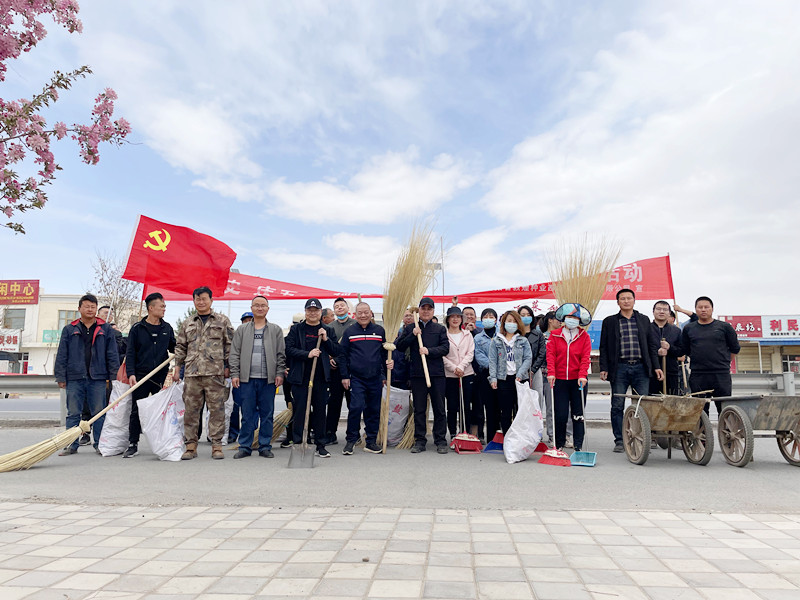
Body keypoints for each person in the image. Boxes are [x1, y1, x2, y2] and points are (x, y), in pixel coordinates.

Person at [173, 286, 234, 460]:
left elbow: (230, 345)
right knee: (191, 411)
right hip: (192, 374)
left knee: (217, 410)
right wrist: (177, 368)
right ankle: (191, 446)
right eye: (197, 299)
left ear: (211, 300)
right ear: (194, 301)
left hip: (215, 373)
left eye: (204, 299)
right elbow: (180, 347)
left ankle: (216, 446)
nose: (201, 302)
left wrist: (229, 367)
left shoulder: (222, 321)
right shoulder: (188, 322)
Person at [55, 293, 120, 455]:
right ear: (79, 309)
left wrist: (114, 376)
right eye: (87, 306)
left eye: (93, 307)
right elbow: (62, 354)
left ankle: (100, 444)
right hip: (74, 377)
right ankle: (71, 444)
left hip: (98, 377)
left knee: (99, 412)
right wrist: (61, 376)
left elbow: (112, 354)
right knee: (73, 413)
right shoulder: (70, 329)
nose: (90, 309)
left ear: (96, 309)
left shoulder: (105, 329)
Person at [599, 288, 662, 453]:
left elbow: (651, 345)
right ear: (617, 302)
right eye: (622, 299)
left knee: (643, 405)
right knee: (617, 405)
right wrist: (604, 367)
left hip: (641, 367)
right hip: (619, 368)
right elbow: (604, 347)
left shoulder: (643, 320)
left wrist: (656, 366)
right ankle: (620, 440)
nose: (626, 301)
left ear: (634, 300)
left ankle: (642, 438)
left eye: (629, 298)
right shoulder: (610, 321)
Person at [230, 296, 286, 459]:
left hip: (268, 380)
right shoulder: (242, 330)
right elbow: (234, 353)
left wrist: (279, 373)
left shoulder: (275, 330)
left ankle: (265, 446)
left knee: (267, 414)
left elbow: (280, 354)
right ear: (252, 308)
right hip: (247, 379)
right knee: (247, 415)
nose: (260, 308)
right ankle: (245, 446)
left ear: (268, 309)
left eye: (263, 305)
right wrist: (235, 374)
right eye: (257, 305)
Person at [122, 292, 175, 458]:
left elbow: (175, 349)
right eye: (162, 306)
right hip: (140, 376)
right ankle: (133, 443)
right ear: (151, 308)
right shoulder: (137, 329)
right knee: (136, 410)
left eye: (164, 306)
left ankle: (160, 443)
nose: (164, 309)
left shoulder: (167, 328)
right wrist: (131, 373)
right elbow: (130, 353)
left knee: (160, 411)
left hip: (160, 376)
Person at [285, 298, 339, 458]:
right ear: (306, 311)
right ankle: (299, 442)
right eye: (309, 310)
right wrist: (307, 354)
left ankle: (320, 444)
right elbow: (288, 349)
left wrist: (325, 340)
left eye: (316, 310)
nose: (312, 313)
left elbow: (337, 350)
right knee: (301, 409)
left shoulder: (327, 330)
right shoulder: (297, 329)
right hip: (300, 377)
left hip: (320, 377)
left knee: (320, 411)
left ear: (320, 313)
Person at [395, 297, 450, 454]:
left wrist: (429, 351)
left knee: (439, 408)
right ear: (418, 310)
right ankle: (420, 440)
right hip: (418, 374)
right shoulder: (411, 328)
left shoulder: (439, 329)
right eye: (423, 308)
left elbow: (445, 348)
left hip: (437, 374)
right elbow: (399, 346)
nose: (426, 311)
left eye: (429, 309)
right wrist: (413, 334)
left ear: (433, 311)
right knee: (419, 408)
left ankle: (440, 440)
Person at [339, 302, 391, 455]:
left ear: (371, 313)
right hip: (356, 378)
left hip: (375, 378)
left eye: (366, 312)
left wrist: (385, 372)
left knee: (373, 410)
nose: (363, 315)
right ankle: (351, 440)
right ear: (355, 315)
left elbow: (384, 355)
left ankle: (371, 441)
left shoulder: (379, 331)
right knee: (355, 407)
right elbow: (343, 356)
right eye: (360, 313)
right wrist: (344, 376)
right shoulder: (350, 332)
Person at [681, 296, 740, 415]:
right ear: (696, 309)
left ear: (712, 309)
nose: (703, 310)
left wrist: (725, 363)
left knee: (724, 409)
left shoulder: (724, 327)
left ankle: (726, 432)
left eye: (706, 307)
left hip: (721, 374)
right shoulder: (688, 329)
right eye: (700, 307)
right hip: (698, 374)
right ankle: (701, 433)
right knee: (700, 411)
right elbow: (686, 349)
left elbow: (735, 348)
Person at [546, 304, 592, 452]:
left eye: (575, 318)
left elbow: (585, 357)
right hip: (559, 379)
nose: (572, 320)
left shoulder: (584, 336)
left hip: (578, 380)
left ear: (579, 320)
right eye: (569, 317)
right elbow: (551, 355)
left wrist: (582, 375)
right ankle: (559, 444)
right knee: (560, 414)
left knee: (578, 414)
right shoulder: (555, 334)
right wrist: (551, 373)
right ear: (564, 318)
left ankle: (578, 444)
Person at [488, 310, 532, 433]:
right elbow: (492, 360)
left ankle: (520, 438)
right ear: (503, 323)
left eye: (514, 321)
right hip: (503, 379)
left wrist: (520, 373)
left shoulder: (523, 340)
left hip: (520, 379)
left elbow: (528, 358)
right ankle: (508, 439)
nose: (511, 324)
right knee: (505, 412)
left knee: (520, 411)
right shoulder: (496, 341)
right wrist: (493, 378)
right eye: (509, 321)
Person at [322, 297, 355, 445]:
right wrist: (330, 360)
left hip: (351, 369)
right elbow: (325, 347)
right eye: (337, 306)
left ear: (348, 308)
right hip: (334, 370)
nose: (340, 308)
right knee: (334, 402)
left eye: (342, 305)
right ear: (334, 310)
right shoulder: (329, 327)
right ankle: (330, 433)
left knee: (353, 403)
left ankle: (353, 434)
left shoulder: (355, 325)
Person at [443, 306, 475, 439]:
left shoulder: (467, 335)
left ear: (461, 319)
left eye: (458, 316)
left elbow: (470, 353)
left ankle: (464, 432)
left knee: (466, 405)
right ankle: (452, 433)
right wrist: (453, 368)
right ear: (448, 319)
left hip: (466, 374)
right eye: (452, 317)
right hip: (449, 375)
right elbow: (441, 354)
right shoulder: (443, 335)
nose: (455, 319)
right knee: (451, 406)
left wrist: (461, 367)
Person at [228, 311, 254, 444]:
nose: (248, 322)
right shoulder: (237, 336)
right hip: (239, 376)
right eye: (245, 320)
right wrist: (234, 373)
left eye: (251, 320)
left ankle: (251, 434)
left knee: (250, 408)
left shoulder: (260, 336)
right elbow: (233, 356)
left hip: (254, 377)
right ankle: (233, 432)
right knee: (235, 406)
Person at [648, 301, 683, 396]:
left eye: (665, 310)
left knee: (670, 403)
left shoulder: (676, 331)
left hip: (671, 372)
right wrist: (657, 352)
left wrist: (670, 348)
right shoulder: (646, 329)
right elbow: (643, 349)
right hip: (650, 372)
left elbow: (680, 351)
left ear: (669, 313)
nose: (661, 312)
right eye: (658, 309)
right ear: (653, 311)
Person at [473, 308, 498, 442]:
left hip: (502, 374)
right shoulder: (478, 338)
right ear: (482, 320)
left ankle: (500, 437)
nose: (488, 319)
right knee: (488, 405)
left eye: (491, 316)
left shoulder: (502, 335)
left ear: (496, 319)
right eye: (486, 316)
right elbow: (478, 355)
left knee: (500, 407)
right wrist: (493, 364)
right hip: (485, 373)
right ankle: (490, 439)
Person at [518, 305, 547, 417]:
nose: (526, 317)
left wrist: (534, 369)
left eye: (528, 315)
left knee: (536, 397)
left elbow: (542, 353)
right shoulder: (516, 335)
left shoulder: (538, 334)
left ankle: (536, 426)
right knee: (521, 400)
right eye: (523, 315)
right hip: (519, 371)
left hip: (535, 370)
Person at [537, 311, 557, 444]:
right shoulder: (541, 335)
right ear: (550, 320)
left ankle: (552, 435)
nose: (560, 321)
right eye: (557, 319)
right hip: (540, 374)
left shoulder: (560, 336)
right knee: (537, 408)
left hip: (553, 376)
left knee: (552, 407)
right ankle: (536, 435)